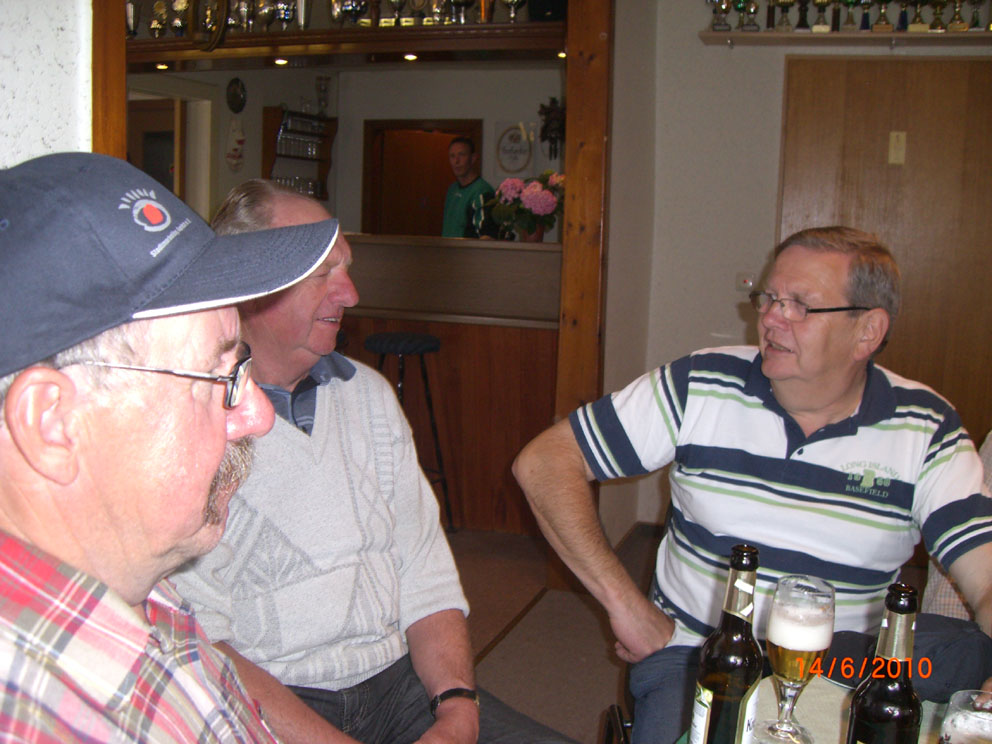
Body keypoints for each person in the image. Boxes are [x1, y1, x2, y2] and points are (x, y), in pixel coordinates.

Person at [512, 226, 992, 742]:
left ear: (867, 331)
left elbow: (985, 576)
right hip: (696, 656)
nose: (771, 318)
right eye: (769, 297)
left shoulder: (924, 426)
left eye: (800, 305)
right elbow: (544, 462)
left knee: (961, 660)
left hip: (847, 667)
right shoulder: (703, 384)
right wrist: (625, 605)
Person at [171, 179, 575, 744]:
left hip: (398, 682)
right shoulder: (193, 425)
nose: (352, 294)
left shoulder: (369, 396)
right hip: (275, 700)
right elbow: (200, 644)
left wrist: (457, 710)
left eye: (347, 269)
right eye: (322, 273)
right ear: (249, 283)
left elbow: (425, 572)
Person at [0, 152, 343, 741]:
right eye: (218, 376)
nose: (259, 416)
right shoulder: (45, 719)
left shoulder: (135, 587)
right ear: (52, 423)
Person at [441, 136, 495, 239]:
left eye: (461, 155)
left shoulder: (482, 191)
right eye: (452, 156)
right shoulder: (452, 189)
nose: (456, 161)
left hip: (467, 249)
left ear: (473, 158)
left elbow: (486, 236)